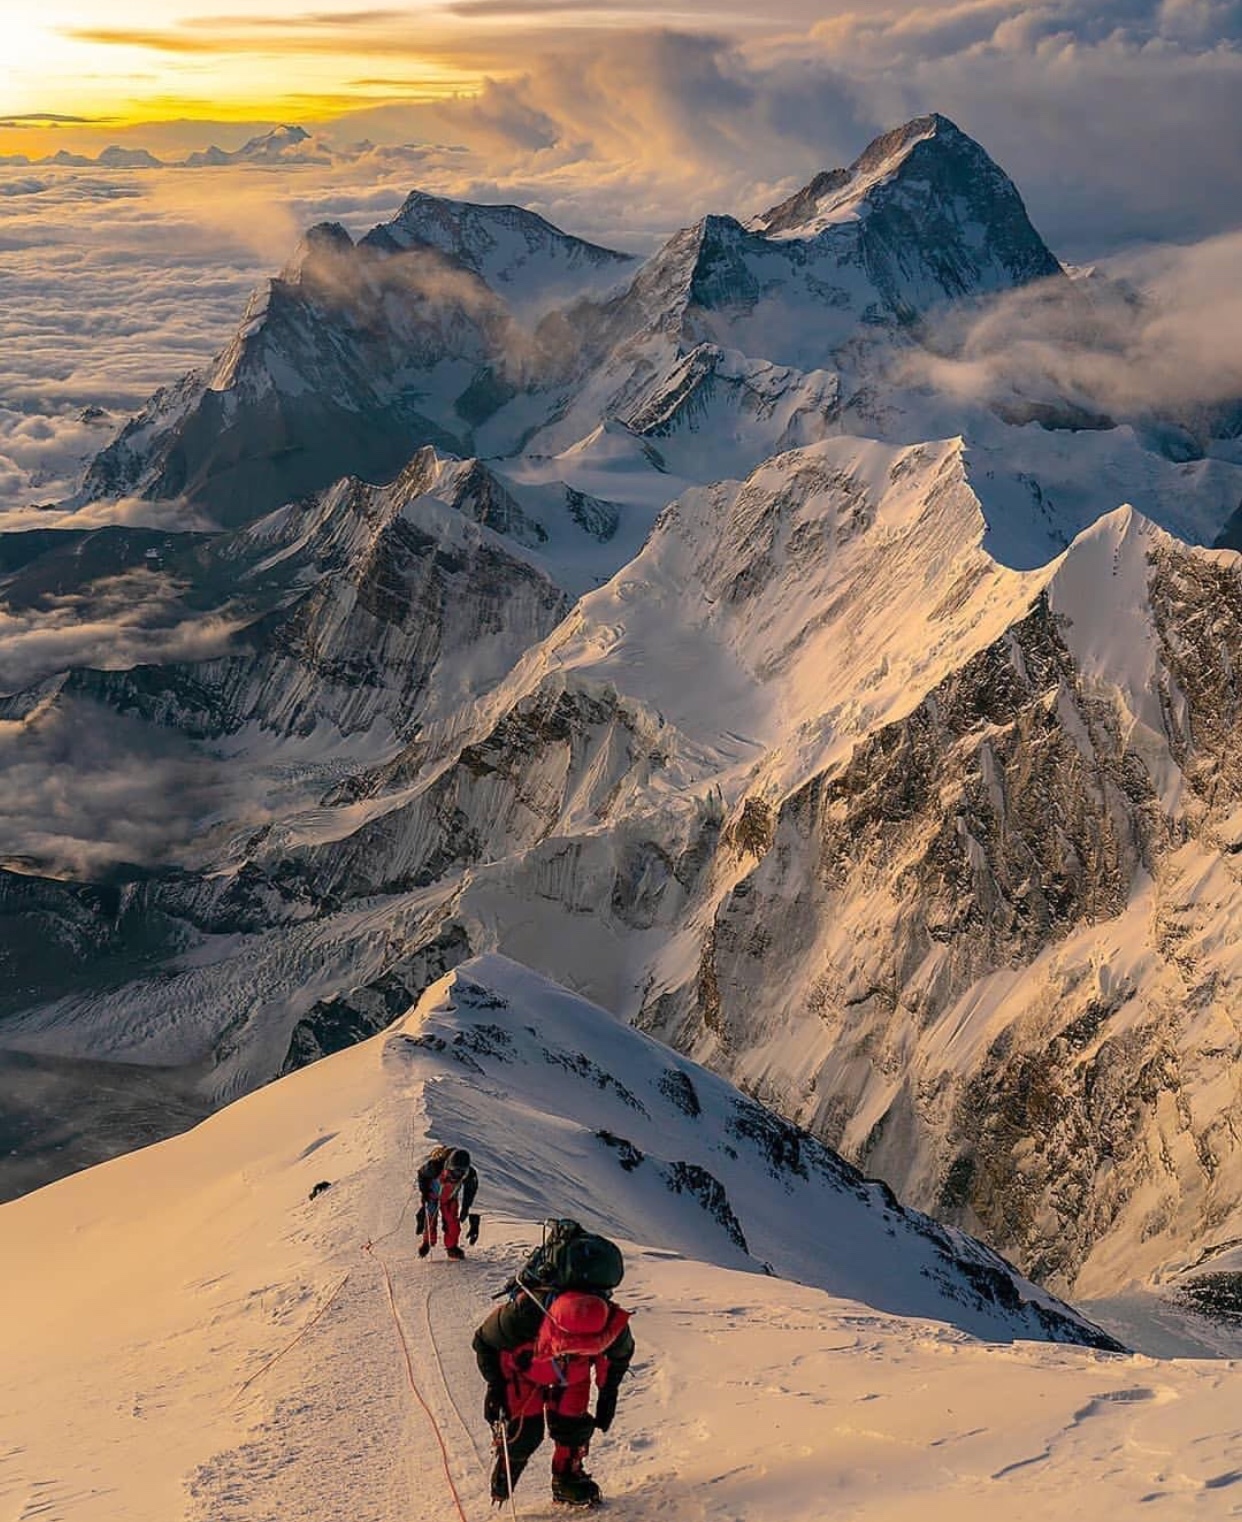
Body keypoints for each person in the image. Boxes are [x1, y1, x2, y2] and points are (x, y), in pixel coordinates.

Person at [472, 1278, 633, 1507]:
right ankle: (506, 1472)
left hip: (572, 1376)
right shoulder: (523, 1314)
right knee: (526, 1431)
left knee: (572, 1427)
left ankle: (566, 1480)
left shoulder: (610, 1325)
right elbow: (484, 1341)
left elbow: (616, 1359)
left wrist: (608, 1395)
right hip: (524, 1371)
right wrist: (495, 1387)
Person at [415, 1145, 478, 1260]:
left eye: (461, 1172)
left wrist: (465, 1208)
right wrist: (424, 1193)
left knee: (453, 1222)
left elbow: (470, 1191)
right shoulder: (435, 1167)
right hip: (432, 1195)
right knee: (430, 1220)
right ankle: (427, 1242)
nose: (457, 1175)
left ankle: (452, 1247)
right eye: (454, 1171)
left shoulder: (470, 1175)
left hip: (450, 1198)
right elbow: (422, 1174)